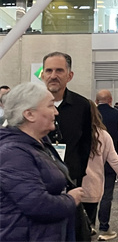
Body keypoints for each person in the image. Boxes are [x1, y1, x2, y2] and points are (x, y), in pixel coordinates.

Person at [0, 83, 84, 241]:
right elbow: (38, 205)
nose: (56, 112)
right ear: (29, 114)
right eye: (50, 106)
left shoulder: (39, 143)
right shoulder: (13, 153)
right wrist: (71, 200)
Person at [81, 102, 118, 233]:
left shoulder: (72, 133)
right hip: (92, 188)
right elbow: (115, 161)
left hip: (72, 187)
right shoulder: (103, 135)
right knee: (88, 226)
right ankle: (100, 228)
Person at [43, 51, 92, 186]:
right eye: (49, 71)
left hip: (71, 178)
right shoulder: (32, 105)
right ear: (43, 75)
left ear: (69, 76)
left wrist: (79, 174)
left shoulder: (82, 105)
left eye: (59, 71)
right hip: (39, 178)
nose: (53, 76)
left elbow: (86, 143)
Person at [95, 90, 118, 241]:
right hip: (110, 160)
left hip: (92, 161)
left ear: (96, 101)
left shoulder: (91, 115)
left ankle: (89, 225)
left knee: (90, 193)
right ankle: (104, 226)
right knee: (107, 196)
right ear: (111, 100)